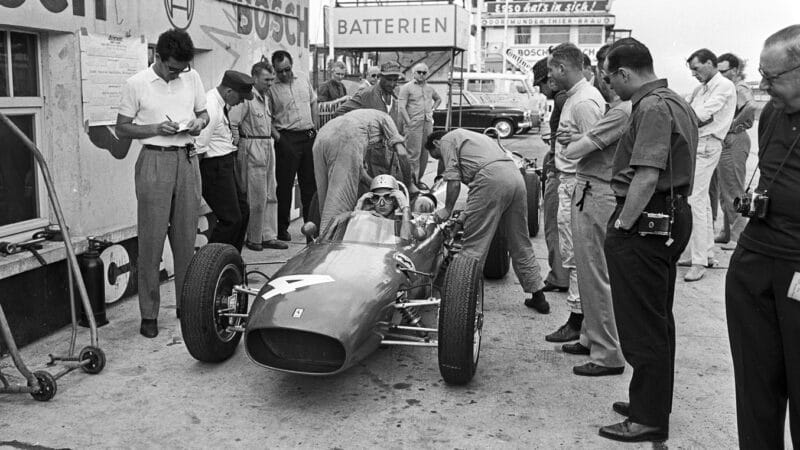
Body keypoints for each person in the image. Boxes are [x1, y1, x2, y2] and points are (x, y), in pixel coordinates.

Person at [598, 38, 697, 443]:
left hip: (649, 218)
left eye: (608, 78)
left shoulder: (653, 107)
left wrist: (622, 224)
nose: (609, 86)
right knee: (657, 318)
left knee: (642, 326)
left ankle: (648, 417)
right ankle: (651, 403)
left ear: (623, 73)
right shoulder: (674, 100)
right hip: (668, 215)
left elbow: (647, 175)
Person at [726, 24, 800, 449]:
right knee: (755, 386)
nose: (765, 86)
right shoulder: (770, 112)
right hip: (755, 261)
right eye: (762, 75)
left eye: (773, 78)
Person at [115, 29, 209, 338]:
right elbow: (123, 128)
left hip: (187, 159)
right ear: (157, 57)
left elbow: (204, 113)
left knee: (186, 240)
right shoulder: (137, 84)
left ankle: (186, 304)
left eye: (181, 69)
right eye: (171, 68)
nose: (176, 73)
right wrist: (155, 128)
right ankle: (149, 314)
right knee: (151, 243)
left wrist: (199, 122)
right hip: (154, 160)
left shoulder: (191, 78)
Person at [555, 51, 629, 377]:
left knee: (594, 273)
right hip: (588, 189)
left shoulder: (601, 106)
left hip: (594, 191)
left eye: (606, 73)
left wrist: (575, 141)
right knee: (587, 272)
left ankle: (605, 351)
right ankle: (591, 338)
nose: (602, 78)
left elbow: (578, 150)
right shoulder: (614, 107)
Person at [425, 129, 550, 314]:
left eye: (437, 157)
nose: (440, 160)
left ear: (436, 143)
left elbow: (454, 180)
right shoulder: (474, 138)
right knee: (520, 242)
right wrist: (462, 218)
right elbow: (479, 200)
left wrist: (447, 209)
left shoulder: (446, 140)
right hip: (515, 178)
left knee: (473, 247)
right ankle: (539, 296)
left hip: (490, 179)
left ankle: (462, 303)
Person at [547, 43, 605, 343]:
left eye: (551, 70)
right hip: (569, 180)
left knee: (575, 255)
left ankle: (579, 319)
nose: (549, 76)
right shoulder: (576, 98)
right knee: (572, 255)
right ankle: (580, 319)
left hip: (577, 183)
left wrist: (576, 141)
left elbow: (598, 147)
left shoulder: (583, 102)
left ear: (563, 68)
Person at [680, 48, 736, 281]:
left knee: (694, 201)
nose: (694, 73)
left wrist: (680, 116)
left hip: (708, 144)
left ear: (710, 63)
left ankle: (699, 261)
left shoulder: (723, 86)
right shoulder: (702, 88)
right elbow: (689, 107)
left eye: (697, 68)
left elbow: (701, 113)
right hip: (698, 145)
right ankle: (706, 253)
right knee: (701, 202)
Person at [313, 109, 411, 232]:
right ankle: (330, 245)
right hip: (348, 134)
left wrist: (376, 190)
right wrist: (409, 186)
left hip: (323, 134)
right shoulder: (387, 119)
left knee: (325, 200)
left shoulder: (366, 116)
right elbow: (402, 153)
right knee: (339, 206)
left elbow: (361, 173)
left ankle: (321, 238)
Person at [229, 61, 288, 252]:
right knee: (255, 194)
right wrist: (238, 145)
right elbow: (233, 123)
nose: (270, 83)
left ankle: (269, 235)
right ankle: (254, 238)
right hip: (251, 145)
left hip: (266, 145)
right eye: (266, 79)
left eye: (272, 79)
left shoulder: (266, 98)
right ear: (255, 78)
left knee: (271, 191)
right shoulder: (246, 99)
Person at [196, 71, 254, 253]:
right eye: (241, 97)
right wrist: (194, 185)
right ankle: (210, 263)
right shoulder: (211, 107)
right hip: (214, 168)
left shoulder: (221, 104)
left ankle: (232, 258)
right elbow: (198, 148)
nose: (242, 102)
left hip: (225, 164)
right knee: (231, 219)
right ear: (229, 91)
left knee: (243, 212)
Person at [268, 50, 319, 242]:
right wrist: (280, 139)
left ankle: (311, 228)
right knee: (284, 186)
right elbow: (268, 117)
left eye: (287, 69)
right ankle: (282, 229)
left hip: (307, 136)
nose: (284, 74)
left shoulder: (303, 79)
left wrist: (315, 127)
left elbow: (314, 102)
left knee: (309, 186)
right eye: (280, 71)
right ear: (275, 70)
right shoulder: (271, 88)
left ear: (292, 66)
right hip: (286, 138)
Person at [334, 61, 410, 188]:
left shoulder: (395, 98)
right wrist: (359, 136)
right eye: (388, 79)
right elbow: (340, 113)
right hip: (370, 156)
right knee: (371, 193)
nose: (392, 83)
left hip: (389, 158)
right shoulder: (366, 94)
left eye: (394, 80)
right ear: (380, 77)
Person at [710, 53, 756, 250]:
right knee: (724, 190)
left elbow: (751, 105)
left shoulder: (740, 87)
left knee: (734, 190)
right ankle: (727, 232)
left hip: (735, 139)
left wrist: (733, 125)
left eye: (723, 71)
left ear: (736, 71)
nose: (719, 74)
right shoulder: (726, 88)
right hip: (726, 140)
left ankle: (739, 236)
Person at [532, 57, 568, 297]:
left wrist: (553, 160)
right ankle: (560, 274)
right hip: (559, 166)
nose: (540, 90)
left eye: (540, 84)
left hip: (560, 169)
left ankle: (559, 276)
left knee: (554, 225)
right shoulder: (568, 98)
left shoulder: (562, 99)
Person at [399, 63, 442, 182]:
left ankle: (419, 179)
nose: (422, 75)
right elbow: (401, 107)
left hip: (427, 122)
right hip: (413, 123)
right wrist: (408, 122)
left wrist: (432, 110)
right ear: (414, 73)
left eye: (424, 72)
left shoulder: (429, 88)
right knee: (413, 153)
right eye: (419, 72)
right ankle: (411, 181)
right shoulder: (407, 87)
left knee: (425, 152)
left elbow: (438, 99)